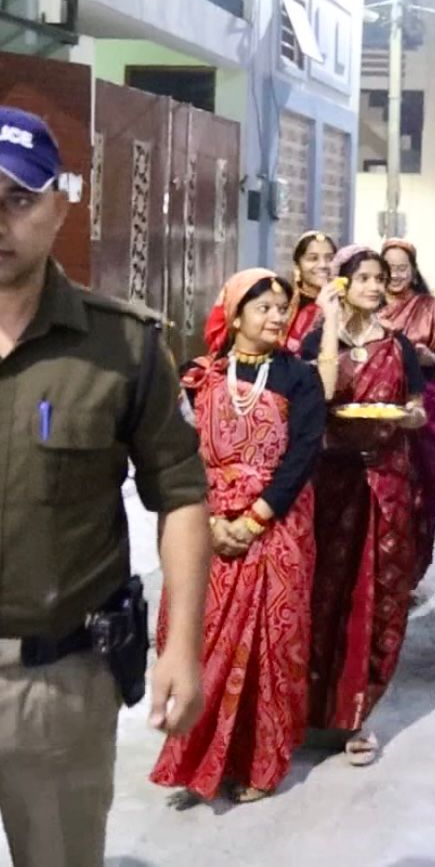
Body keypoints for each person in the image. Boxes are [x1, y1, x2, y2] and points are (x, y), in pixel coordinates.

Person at [0, 105, 210, 867]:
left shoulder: (123, 345)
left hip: (57, 683)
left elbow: (181, 494)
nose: (0, 219)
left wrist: (181, 646)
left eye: (19, 198)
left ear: (59, 206)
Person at [150, 269, 325, 804]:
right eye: (263, 307)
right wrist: (207, 521)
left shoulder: (299, 377)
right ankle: (199, 758)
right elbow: (178, 452)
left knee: (271, 650)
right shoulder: (199, 375)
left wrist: (253, 520)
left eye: (282, 308)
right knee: (200, 642)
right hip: (205, 523)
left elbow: (303, 454)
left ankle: (259, 765)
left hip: (276, 526)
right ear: (235, 313)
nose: (276, 317)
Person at [301, 246, 427, 766]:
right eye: (364, 278)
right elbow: (314, 399)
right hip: (329, 481)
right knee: (320, 593)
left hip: (385, 480)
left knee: (377, 596)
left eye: (380, 278)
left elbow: (416, 405)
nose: (375, 286)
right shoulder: (316, 341)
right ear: (343, 285)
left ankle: (357, 715)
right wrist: (331, 322)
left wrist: (410, 417)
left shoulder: (399, 347)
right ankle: (305, 709)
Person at [380, 240, 435, 584]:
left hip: (425, 402)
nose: (396, 275)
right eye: (389, 268)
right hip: (381, 402)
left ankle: (412, 567)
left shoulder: (431, 308)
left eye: (402, 268)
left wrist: (431, 358)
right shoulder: (369, 305)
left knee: (423, 483)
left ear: (413, 271)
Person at [284, 230, 336, 353]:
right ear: (297, 266)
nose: (323, 265)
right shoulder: (285, 305)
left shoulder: (346, 304)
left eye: (329, 258)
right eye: (313, 258)